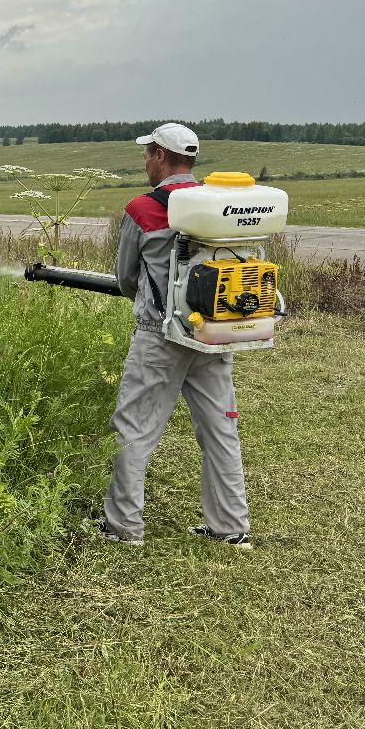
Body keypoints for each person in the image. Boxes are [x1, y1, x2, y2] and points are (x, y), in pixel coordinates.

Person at [90, 122, 253, 549]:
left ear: (161, 155)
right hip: (214, 332)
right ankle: (230, 526)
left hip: (159, 336)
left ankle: (123, 527)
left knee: (132, 428)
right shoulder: (220, 205)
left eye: (148, 154)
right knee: (220, 429)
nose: (145, 161)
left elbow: (125, 278)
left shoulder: (142, 209)